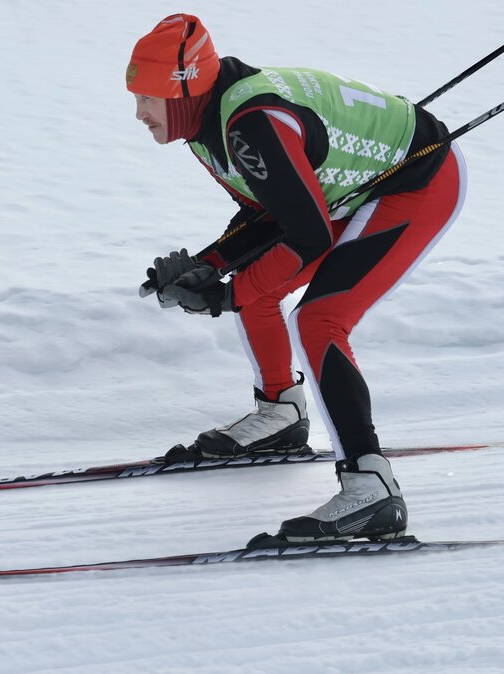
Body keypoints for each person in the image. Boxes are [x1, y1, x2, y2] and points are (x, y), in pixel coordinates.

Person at [127, 14, 467, 543]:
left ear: (186, 87)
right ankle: (280, 413)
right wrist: (210, 265)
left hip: (416, 182)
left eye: (148, 97)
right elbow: (272, 212)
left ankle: (371, 488)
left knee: (319, 319)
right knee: (258, 287)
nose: (140, 113)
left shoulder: (250, 124)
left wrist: (226, 293)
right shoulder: (201, 125)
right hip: (349, 188)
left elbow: (305, 236)